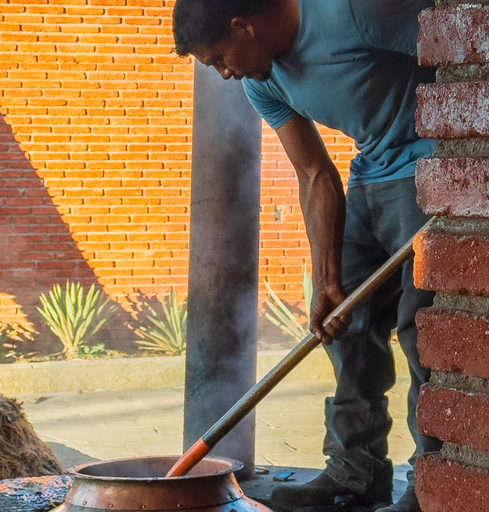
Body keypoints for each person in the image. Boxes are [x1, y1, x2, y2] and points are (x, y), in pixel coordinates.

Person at [172, 1, 442, 511]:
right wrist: (327, 282)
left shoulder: (352, 11)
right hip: (370, 173)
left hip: (431, 169)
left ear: (243, 27)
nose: (225, 74)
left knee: (424, 329)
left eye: (220, 59)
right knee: (345, 323)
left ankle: (434, 483)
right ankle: (355, 474)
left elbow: (461, 48)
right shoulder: (263, 81)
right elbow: (315, 174)